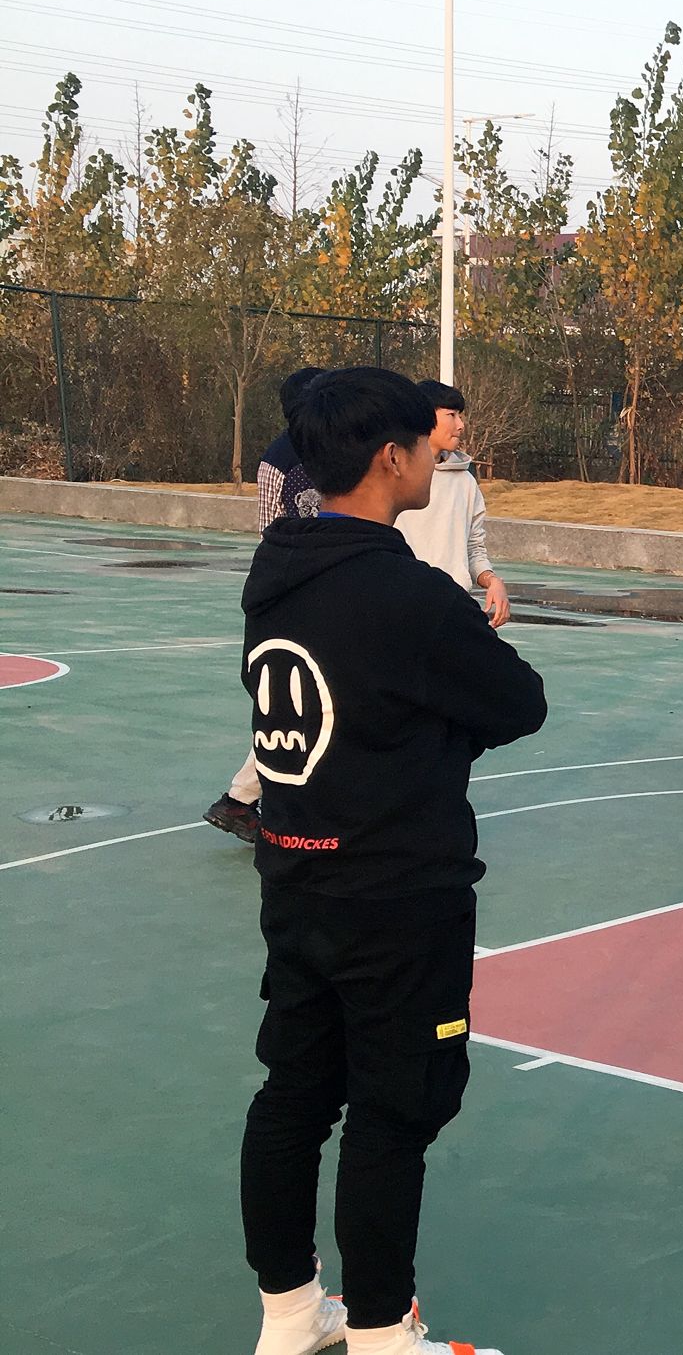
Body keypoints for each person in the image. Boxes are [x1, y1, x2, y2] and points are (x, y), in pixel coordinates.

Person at [236, 366, 547, 1355]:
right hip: (397, 893)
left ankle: (290, 1314)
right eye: (427, 446)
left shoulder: (277, 571)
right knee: (392, 1109)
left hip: (295, 877)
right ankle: (380, 1332)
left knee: (293, 1093)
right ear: (390, 457)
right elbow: (518, 701)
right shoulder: (407, 594)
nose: (435, 461)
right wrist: (440, 735)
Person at [204, 365, 325, 844]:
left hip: (328, 581)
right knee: (304, 704)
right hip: (297, 589)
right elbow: (268, 531)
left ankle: (244, 799)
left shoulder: (338, 449)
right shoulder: (278, 461)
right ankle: (241, 800)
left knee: (312, 705)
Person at [395, 380, 510, 628]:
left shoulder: (466, 482)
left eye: (460, 415)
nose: (460, 425)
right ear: (425, 417)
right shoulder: (393, 476)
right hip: (402, 609)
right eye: (451, 415)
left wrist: (492, 581)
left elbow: (473, 548)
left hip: (453, 609)